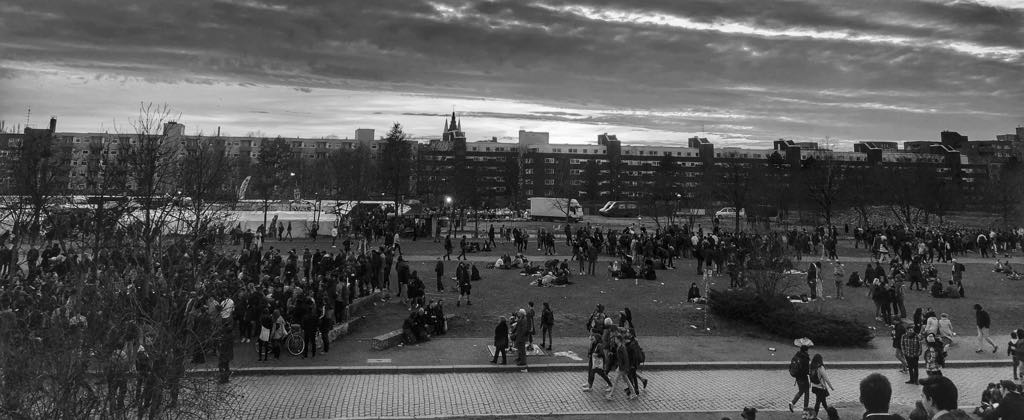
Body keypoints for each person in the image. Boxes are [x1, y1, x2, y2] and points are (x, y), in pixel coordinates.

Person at [809, 354, 835, 418]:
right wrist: (831, 387)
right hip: (820, 388)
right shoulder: (820, 367)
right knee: (818, 403)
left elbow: (810, 376)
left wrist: (810, 384)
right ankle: (814, 417)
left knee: (823, 403)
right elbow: (826, 379)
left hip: (814, 387)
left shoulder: (812, 366)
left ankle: (831, 415)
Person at [790, 345, 812, 412]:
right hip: (804, 378)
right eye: (807, 350)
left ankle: (792, 403)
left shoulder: (796, 356)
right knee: (807, 393)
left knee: (801, 391)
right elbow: (806, 370)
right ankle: (805, 409)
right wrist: (809, 373)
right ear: (805, 350)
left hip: (797, 377)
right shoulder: (805, 358)